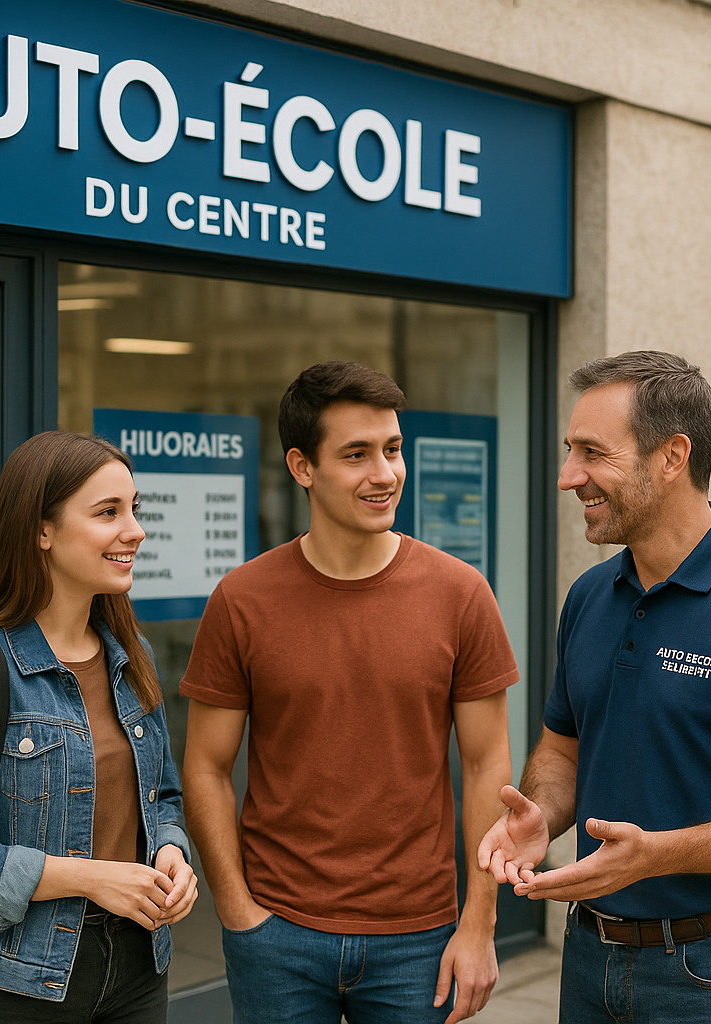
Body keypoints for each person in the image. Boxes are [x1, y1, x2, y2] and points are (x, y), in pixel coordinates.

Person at [478, 351, 711, 1023]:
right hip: (590, 958)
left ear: (672, 456)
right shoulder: (589, 596)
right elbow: (563, 751)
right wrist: (542, 814)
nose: (569, 477)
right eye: (570, 451)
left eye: (593, 453)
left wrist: (659, 855)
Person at [181, 361, 519, 1024]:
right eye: (357, 454)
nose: (385, 473)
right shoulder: (242, 600)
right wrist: (237, 909)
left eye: (393, 449)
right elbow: (205, 767)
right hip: (277, 932)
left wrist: (479, 921)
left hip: (418, 937)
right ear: (302, 467)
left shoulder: (460, 594)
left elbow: (488, 766)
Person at [0, 430, 199, 1023]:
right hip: (17, 978)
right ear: (42, 531)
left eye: (134, 509)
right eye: (108, 512)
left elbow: (162, 795)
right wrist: (89, 879)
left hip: (141, 962)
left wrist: (170, 848)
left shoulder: (132, 656)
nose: (135, 530)